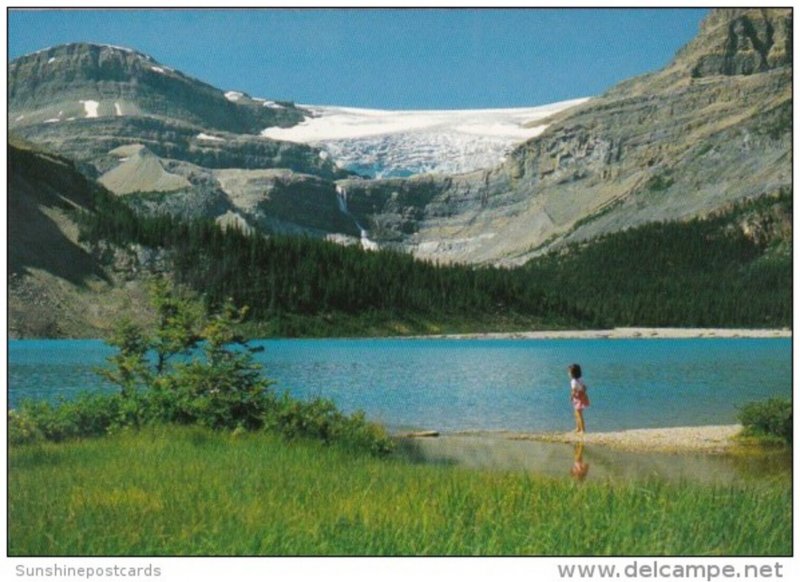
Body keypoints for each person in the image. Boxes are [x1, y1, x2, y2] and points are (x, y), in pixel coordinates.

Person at [567, 363, 589, 434]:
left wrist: (571, 397)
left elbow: (574, 391)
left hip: (577, 398)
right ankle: (578, 428)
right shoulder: (581, 379)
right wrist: (582, 392)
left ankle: (582, 430)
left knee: (578, 414)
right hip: (582, 396)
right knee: (577, 413)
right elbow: (585, 387)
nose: (568, 374)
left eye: (569, 372)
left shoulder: (573, 381)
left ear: (573, 374)